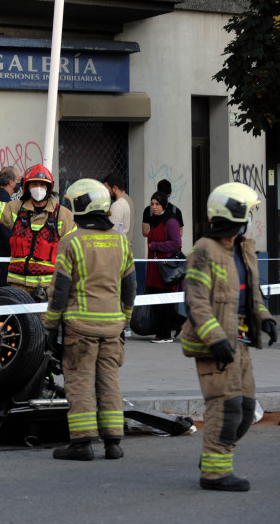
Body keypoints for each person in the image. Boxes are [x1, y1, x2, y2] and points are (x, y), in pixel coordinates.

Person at [181, 182, 278, 492]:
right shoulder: (204, 250)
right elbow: (195, 302)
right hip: (215, 344)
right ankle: (215, 473)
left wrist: (265, 319)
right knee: (226, 407)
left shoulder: (242, 247)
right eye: (248, 211)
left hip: (240, 341)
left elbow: (251, 294)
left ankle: (213, 456)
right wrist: (216, 340)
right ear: (233, 214)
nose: (251, 217)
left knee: (247, 410)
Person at [42, 179, 136, 461]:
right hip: (112, 327)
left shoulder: (72, 242)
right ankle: (113, 443)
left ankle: (81, 444)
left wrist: (50, 326)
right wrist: (125, 322)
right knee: (109, 381)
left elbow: (60, 291)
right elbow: (130, 288)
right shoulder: (120, 242)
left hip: (80, 328)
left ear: (81, 208)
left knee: (80, 382)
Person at [0, 164, 75, 299]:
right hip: (17, 288)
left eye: (42, 185)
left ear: (49, 187)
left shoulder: (63, 215)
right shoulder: (16, 210)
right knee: (17, 320)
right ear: (27, 187)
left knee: (45, 321)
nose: (38, 188)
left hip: (49, 289)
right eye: (34, 184)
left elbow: (76, 251)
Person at [144, 191, 184, 343]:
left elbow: (176, 243)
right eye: (152, 204)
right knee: (153, 300)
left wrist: (156, 245)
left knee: (163, 301)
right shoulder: (155, 220)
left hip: (165, 267)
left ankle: (165, 334)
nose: (154, 207)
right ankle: (175, 324)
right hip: (154, 267)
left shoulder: (171, 221)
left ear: (164, 205)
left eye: (157, 204)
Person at [102, 172, 135, 243]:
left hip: (118, 249)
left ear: (115, 188)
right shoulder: (129, 200)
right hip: (126, 247)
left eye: (108, 189)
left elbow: (112, 232)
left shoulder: (118, 204)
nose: (107, 192)